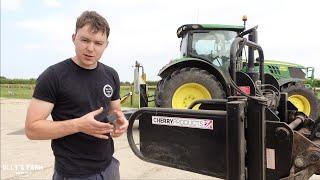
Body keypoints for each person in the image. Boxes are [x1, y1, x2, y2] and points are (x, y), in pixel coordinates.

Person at [25, 10, 128, 180]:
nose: (90, 48)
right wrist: (78, 125)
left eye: (98, 43)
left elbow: (112, 112)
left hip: (109, 167)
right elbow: (32, 129)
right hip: (73, 173)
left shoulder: (111, 75)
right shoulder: (53, 76)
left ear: (106, 45)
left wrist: (118, 122)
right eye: (85, 40)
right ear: (74, 38)